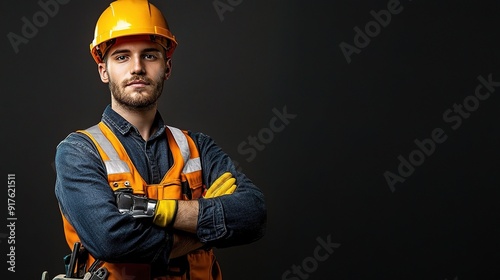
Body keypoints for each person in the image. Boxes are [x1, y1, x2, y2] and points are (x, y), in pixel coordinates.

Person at [54, 0, 267, 279]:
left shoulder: (198, 147)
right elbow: (112, 241)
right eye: (121, 57)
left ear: (167, 67)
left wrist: (160, 212)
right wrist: (207, 230)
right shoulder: (78, 152)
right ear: (103, 71)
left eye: (150, 56)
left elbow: (252, 215)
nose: (137, 68)